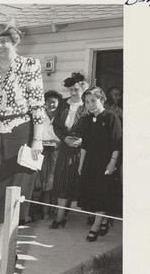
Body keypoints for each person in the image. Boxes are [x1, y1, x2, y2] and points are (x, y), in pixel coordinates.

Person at [0, 18, 45, 274]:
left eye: (4, 40)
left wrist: (37, 141)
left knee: (12, 199)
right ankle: (4, 252)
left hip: (20, 137)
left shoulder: (30, 65)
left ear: (14, 40)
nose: (0, 46)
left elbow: (38, 105)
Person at [78, 86, 122, 242]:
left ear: (102, 99)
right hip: (90, 162)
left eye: (93, 101)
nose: (90, 104)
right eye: (86, 102)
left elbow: (117, 144)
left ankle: (95, 227)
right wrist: (81, 164)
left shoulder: (112, 118)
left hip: (106, 162)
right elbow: (85, 145)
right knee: (93, 193)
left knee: (102, 194)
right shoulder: (86, 120)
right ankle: (103, 221)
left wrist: (112, 164)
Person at [49, 72, 90, 229]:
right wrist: (64, 139)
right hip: (66, 148)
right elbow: (57, 126)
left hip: (81, 150)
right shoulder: (63, 104)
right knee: (62, 181)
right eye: (71, 90)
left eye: (76, 90)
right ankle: (60, 217)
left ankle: (92, 216)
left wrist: (82, 141)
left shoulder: (87, 106)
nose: (73, 93)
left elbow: (91, 129)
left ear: (82, 89)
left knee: (81, 181)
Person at [39, 90, 62, 219]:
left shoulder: (62, 116)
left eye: (54, 102)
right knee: (44, 183)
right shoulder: (40, 116)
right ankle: (45, 213)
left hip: (57, 152)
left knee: (56, 182)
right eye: (48, 102)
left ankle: (56, 212)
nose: (51, 105)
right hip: (43, 151)